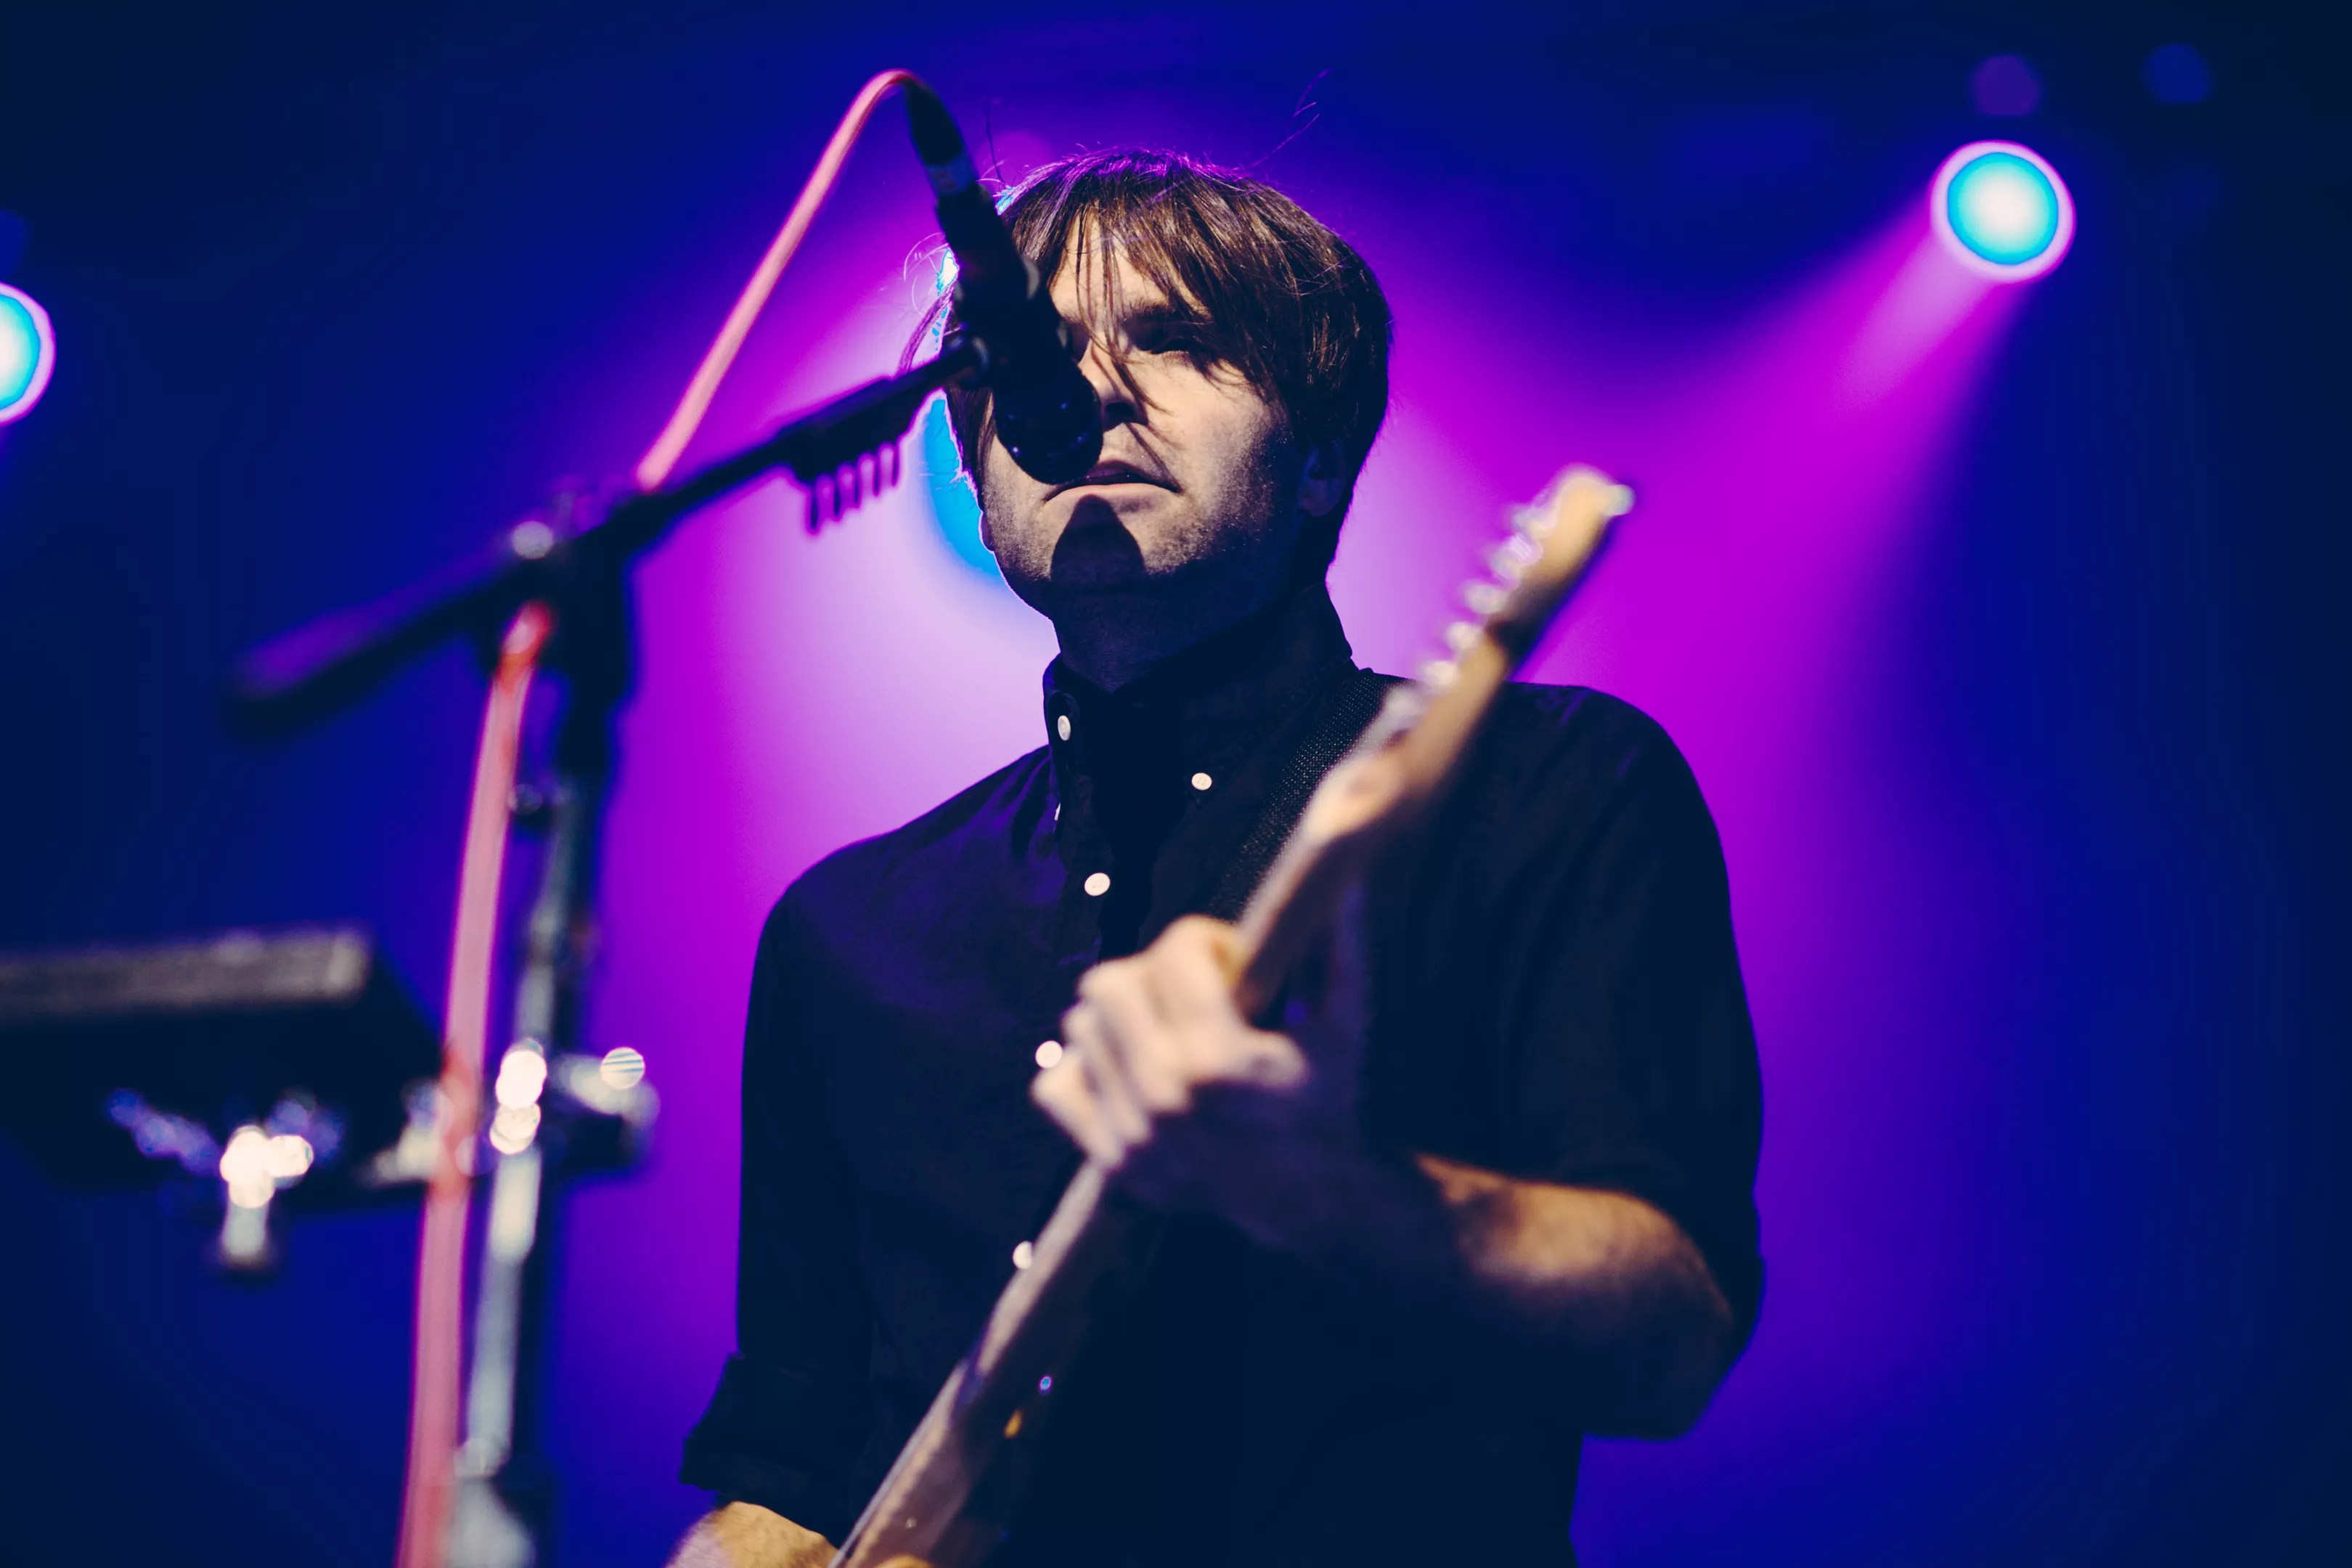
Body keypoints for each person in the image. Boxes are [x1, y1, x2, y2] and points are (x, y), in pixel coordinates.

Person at [670, 150, 1763, 1568]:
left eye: (1176, 340)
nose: (1089, 392)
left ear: (1322, 462)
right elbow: (794, 1460)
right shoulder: (846, 927)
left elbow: (1672, 1343)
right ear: (975, 472)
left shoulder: (1545, 784)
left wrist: (1335, 1188)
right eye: (1031, 356)